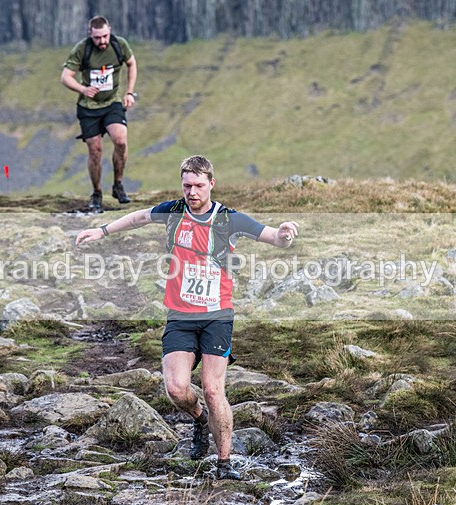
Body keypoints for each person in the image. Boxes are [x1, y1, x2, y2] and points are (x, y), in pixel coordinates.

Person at [75, 155, 299, 480]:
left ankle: (224, 465)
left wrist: (285, 234)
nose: (192, 192)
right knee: (177, 388)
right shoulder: (174, 211)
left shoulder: (229, 219)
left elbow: (273, 238)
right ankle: (198, 419)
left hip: (217, 317)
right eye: (186, 186)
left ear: (211, 183)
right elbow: (139, 217)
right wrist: (102, 230)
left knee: (212, 389)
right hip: (180, 315)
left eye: (198, 185)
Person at [60, 15, 138, 212]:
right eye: (97, 38)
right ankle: (96, 193)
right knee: (95, 151)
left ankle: (118, 185)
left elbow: (132, 64)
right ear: (90, 35)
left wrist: (129, 92)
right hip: (88, 108)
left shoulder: (119, 45)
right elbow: (65, 77)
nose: (102, 41)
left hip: (112, 103)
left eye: (104, 36)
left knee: (120, 140)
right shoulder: (82, 49)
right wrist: (83, 89)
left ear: (109, 30)